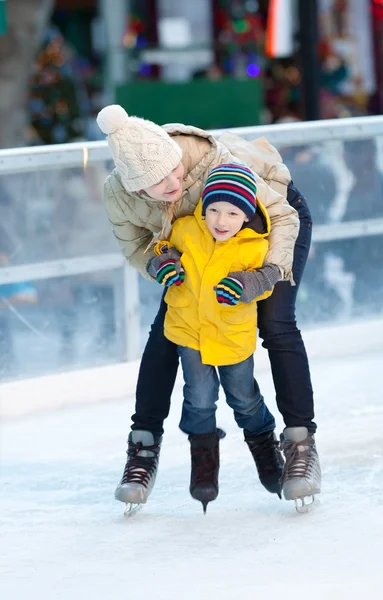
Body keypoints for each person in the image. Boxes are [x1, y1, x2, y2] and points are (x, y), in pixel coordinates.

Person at [96, 104, 321, 512]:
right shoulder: (119, 196)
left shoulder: (210, 161)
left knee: (276, 322)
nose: (175, 183)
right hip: (198, 247)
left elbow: (282, 217)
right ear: (136, 186)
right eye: (160, 183)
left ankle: (300, 444)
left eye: (176, 173)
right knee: (170, 331)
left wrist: (265, 275)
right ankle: (143, 449)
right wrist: (156, 262)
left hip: (269, 220)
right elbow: (135, 246)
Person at [152, 164, 284, 512]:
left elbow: (267, 278)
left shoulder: (254, 247)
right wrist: (164, 265)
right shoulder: (184, 230)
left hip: (231, 338)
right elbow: (160, 252)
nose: (220, 220)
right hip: (189, 332)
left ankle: (264, 447)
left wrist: (245, 285)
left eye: (231, 212)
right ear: (203, 208)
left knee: (243, 398)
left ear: (246, 214)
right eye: (213, 210)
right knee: (198, 398)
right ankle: (204, 464)